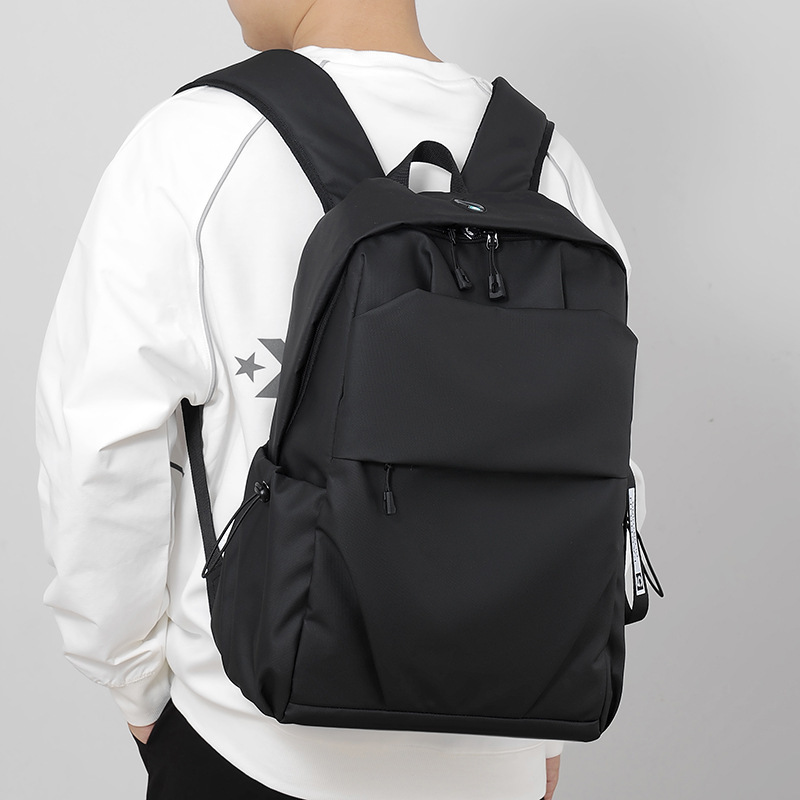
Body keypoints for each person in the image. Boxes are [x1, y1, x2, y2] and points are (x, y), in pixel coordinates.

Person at [36, 1, 644, 798]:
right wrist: (538, 733)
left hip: (252, 740)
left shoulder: (197, 141)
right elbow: (593, 454)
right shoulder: (551, 165)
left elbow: (100, 449)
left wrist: (134, 684)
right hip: (503, 748)